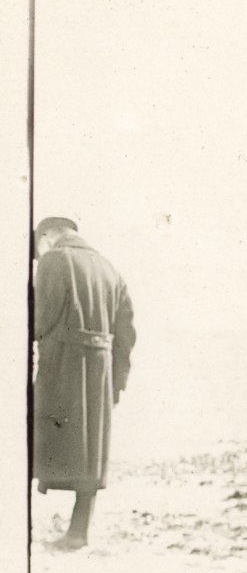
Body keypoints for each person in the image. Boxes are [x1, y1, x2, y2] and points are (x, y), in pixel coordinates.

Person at [31, 215, 137, 548]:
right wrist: (116, 383)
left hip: (60, 367)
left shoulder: (53, 259)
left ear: (46, 236)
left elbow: (39, 320)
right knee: (91, 454)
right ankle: (78, 532)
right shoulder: (110, 269)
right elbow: (127, 335)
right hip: (100, 372)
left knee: (32, 444)